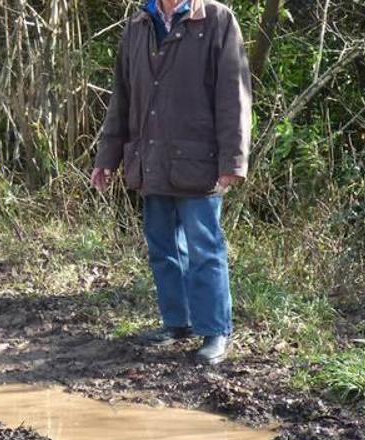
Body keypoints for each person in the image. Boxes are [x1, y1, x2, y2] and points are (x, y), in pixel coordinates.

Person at [90, 0, 251, 365]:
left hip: (200, 161)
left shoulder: (217, 20)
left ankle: (215, 332)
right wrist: (107, 158)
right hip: (150, 160)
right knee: (163, 248)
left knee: (204, 249)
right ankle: (178, 323)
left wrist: (234, 159)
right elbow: (122, 97)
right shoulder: (138, 24)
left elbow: (234, 94)